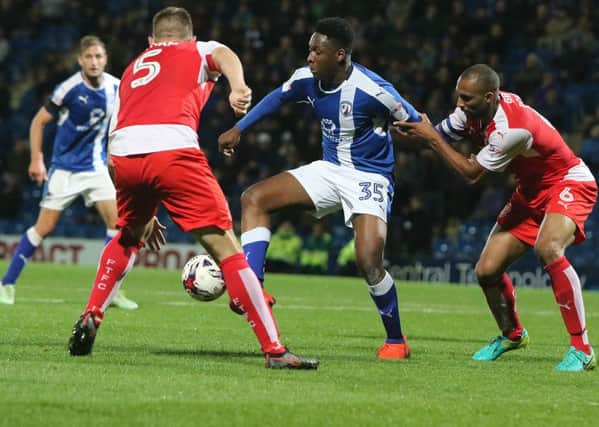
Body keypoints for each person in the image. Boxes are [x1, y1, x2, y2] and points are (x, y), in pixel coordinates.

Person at [67, 7, 318, 370]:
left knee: (128, 235)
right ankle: (275, 349)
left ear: (152, 40)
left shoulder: (130, 69)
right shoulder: (194, 49)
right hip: (173, 150)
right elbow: (224, 54)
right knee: (227, 246)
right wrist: (239, 86)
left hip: (124, 158)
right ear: (189, 36)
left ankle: (93, 312)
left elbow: (111, 151)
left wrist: (142, 205)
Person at [218, 17, 421, 360]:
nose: (310, 56)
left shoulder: (373, 90)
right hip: (329, 169)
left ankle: (396, 341)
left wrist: (438, 146)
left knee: (368, 261)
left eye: (317, 51)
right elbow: (275, 99)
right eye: (309, 49)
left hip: (370, 177)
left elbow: (416, 124)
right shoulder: (305, 79)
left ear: (339, 55)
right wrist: (239, 127)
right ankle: (254, 288)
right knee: (254, 197)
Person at [397, 64, 597, 372]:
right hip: (530, 192)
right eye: (458, 97)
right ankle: (513, 335)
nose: (460, 104)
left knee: (549, 247)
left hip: (567, 181)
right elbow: (431, 135)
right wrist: (391, 130)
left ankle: (582, 350)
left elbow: (471, 173)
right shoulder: (470, 112)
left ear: (489, 97)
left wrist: (431, 139)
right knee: (486, 270)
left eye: (467, 98)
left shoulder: (511, 128)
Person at [0, 35, 138, 310]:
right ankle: (6, 283)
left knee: (119, 226)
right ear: (80, 60)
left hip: (96, 167)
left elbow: (123, 123)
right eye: (89, 57)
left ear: (106, 59)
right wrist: (37, 159)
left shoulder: (117, 87)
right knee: (44, 228)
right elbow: (38, 121)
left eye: (99, 56)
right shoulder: (69, 89)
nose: (94, 61)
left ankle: (111, 290)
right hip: (65, 169)